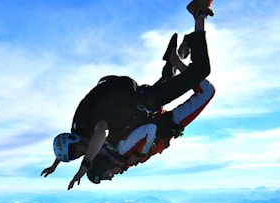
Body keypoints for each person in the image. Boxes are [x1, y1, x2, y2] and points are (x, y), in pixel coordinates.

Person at [41, 0, 221, 190]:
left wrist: (84, 167)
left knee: (201, 70)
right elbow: (68, 143)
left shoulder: (89, 128)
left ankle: (199, 14)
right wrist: (56, 163)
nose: (78, 155)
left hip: (144, 102)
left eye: (74, 153)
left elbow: (102, 132)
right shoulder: (78, 131)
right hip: (140, 100)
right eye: (74, 157)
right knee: (170, 81)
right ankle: (176, 56)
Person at [85, 49, 215, 183]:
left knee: (207, 91)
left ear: (104, 166)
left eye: (106, 175)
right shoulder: (117, 153)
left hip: (169, 123)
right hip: (162, 120)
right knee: (170, 85)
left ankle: (176, 60)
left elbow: (150, 129)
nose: (111, 177)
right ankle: (176, 59)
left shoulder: (122, 152)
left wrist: (139, 154)